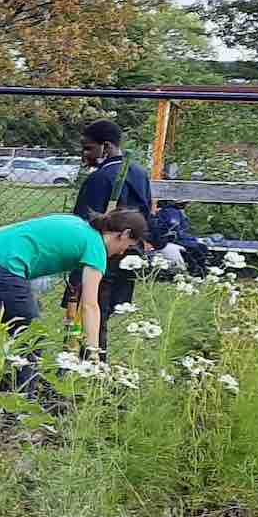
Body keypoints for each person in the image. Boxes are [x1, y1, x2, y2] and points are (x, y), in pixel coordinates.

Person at [0, 209, 149, 423]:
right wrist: (94, 354)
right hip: (3, 270)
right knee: (31, 343)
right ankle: (17, 419)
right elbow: (90, 305)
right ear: (124, 234)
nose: (121, 252)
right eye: (127, 246)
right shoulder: (96, 246)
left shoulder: (75, 224)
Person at [66, 119, 151, 347]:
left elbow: (84, 223)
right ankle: (92, 355)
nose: (85, 155)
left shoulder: (99, 178)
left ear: (106, 146)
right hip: (128, 253)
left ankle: (90, 357)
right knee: (102, 309)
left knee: (90, 306)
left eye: (88, 148)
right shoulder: (140, 173)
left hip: (101, 252)